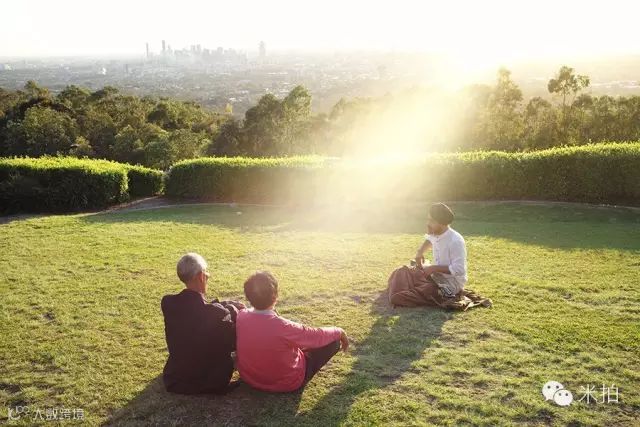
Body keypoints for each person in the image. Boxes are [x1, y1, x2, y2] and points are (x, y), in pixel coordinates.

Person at [235, 271, 349, 392]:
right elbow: (315, 335)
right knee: (333, 340)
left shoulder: (241, 316)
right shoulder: (284, 327)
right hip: (287, 382)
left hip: (250, 378)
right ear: (275, 296)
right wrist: (339, 331)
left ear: (248, 296)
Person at [161, 252, 245, 394]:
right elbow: (231, 341)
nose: (208, 276)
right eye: (206, 273)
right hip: (211, 381)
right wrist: (233, 310)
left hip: (177, 378)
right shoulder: (218, 314)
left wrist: (224, 304)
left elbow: (195, 308)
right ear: (200, 276)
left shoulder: (168, 303)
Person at [388, 203, 468, 307]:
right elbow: (430, 239)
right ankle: (404, 291)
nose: (428, 223)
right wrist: (420, 252)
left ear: (442, 223)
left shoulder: (455, 241)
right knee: (401, 271)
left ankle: (401, 293)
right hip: (434, 276)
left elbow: (459, 269)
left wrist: (433, 268)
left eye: (431, 221)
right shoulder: (436, 233)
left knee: (427, 290)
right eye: (428, 220)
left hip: (450, 285)